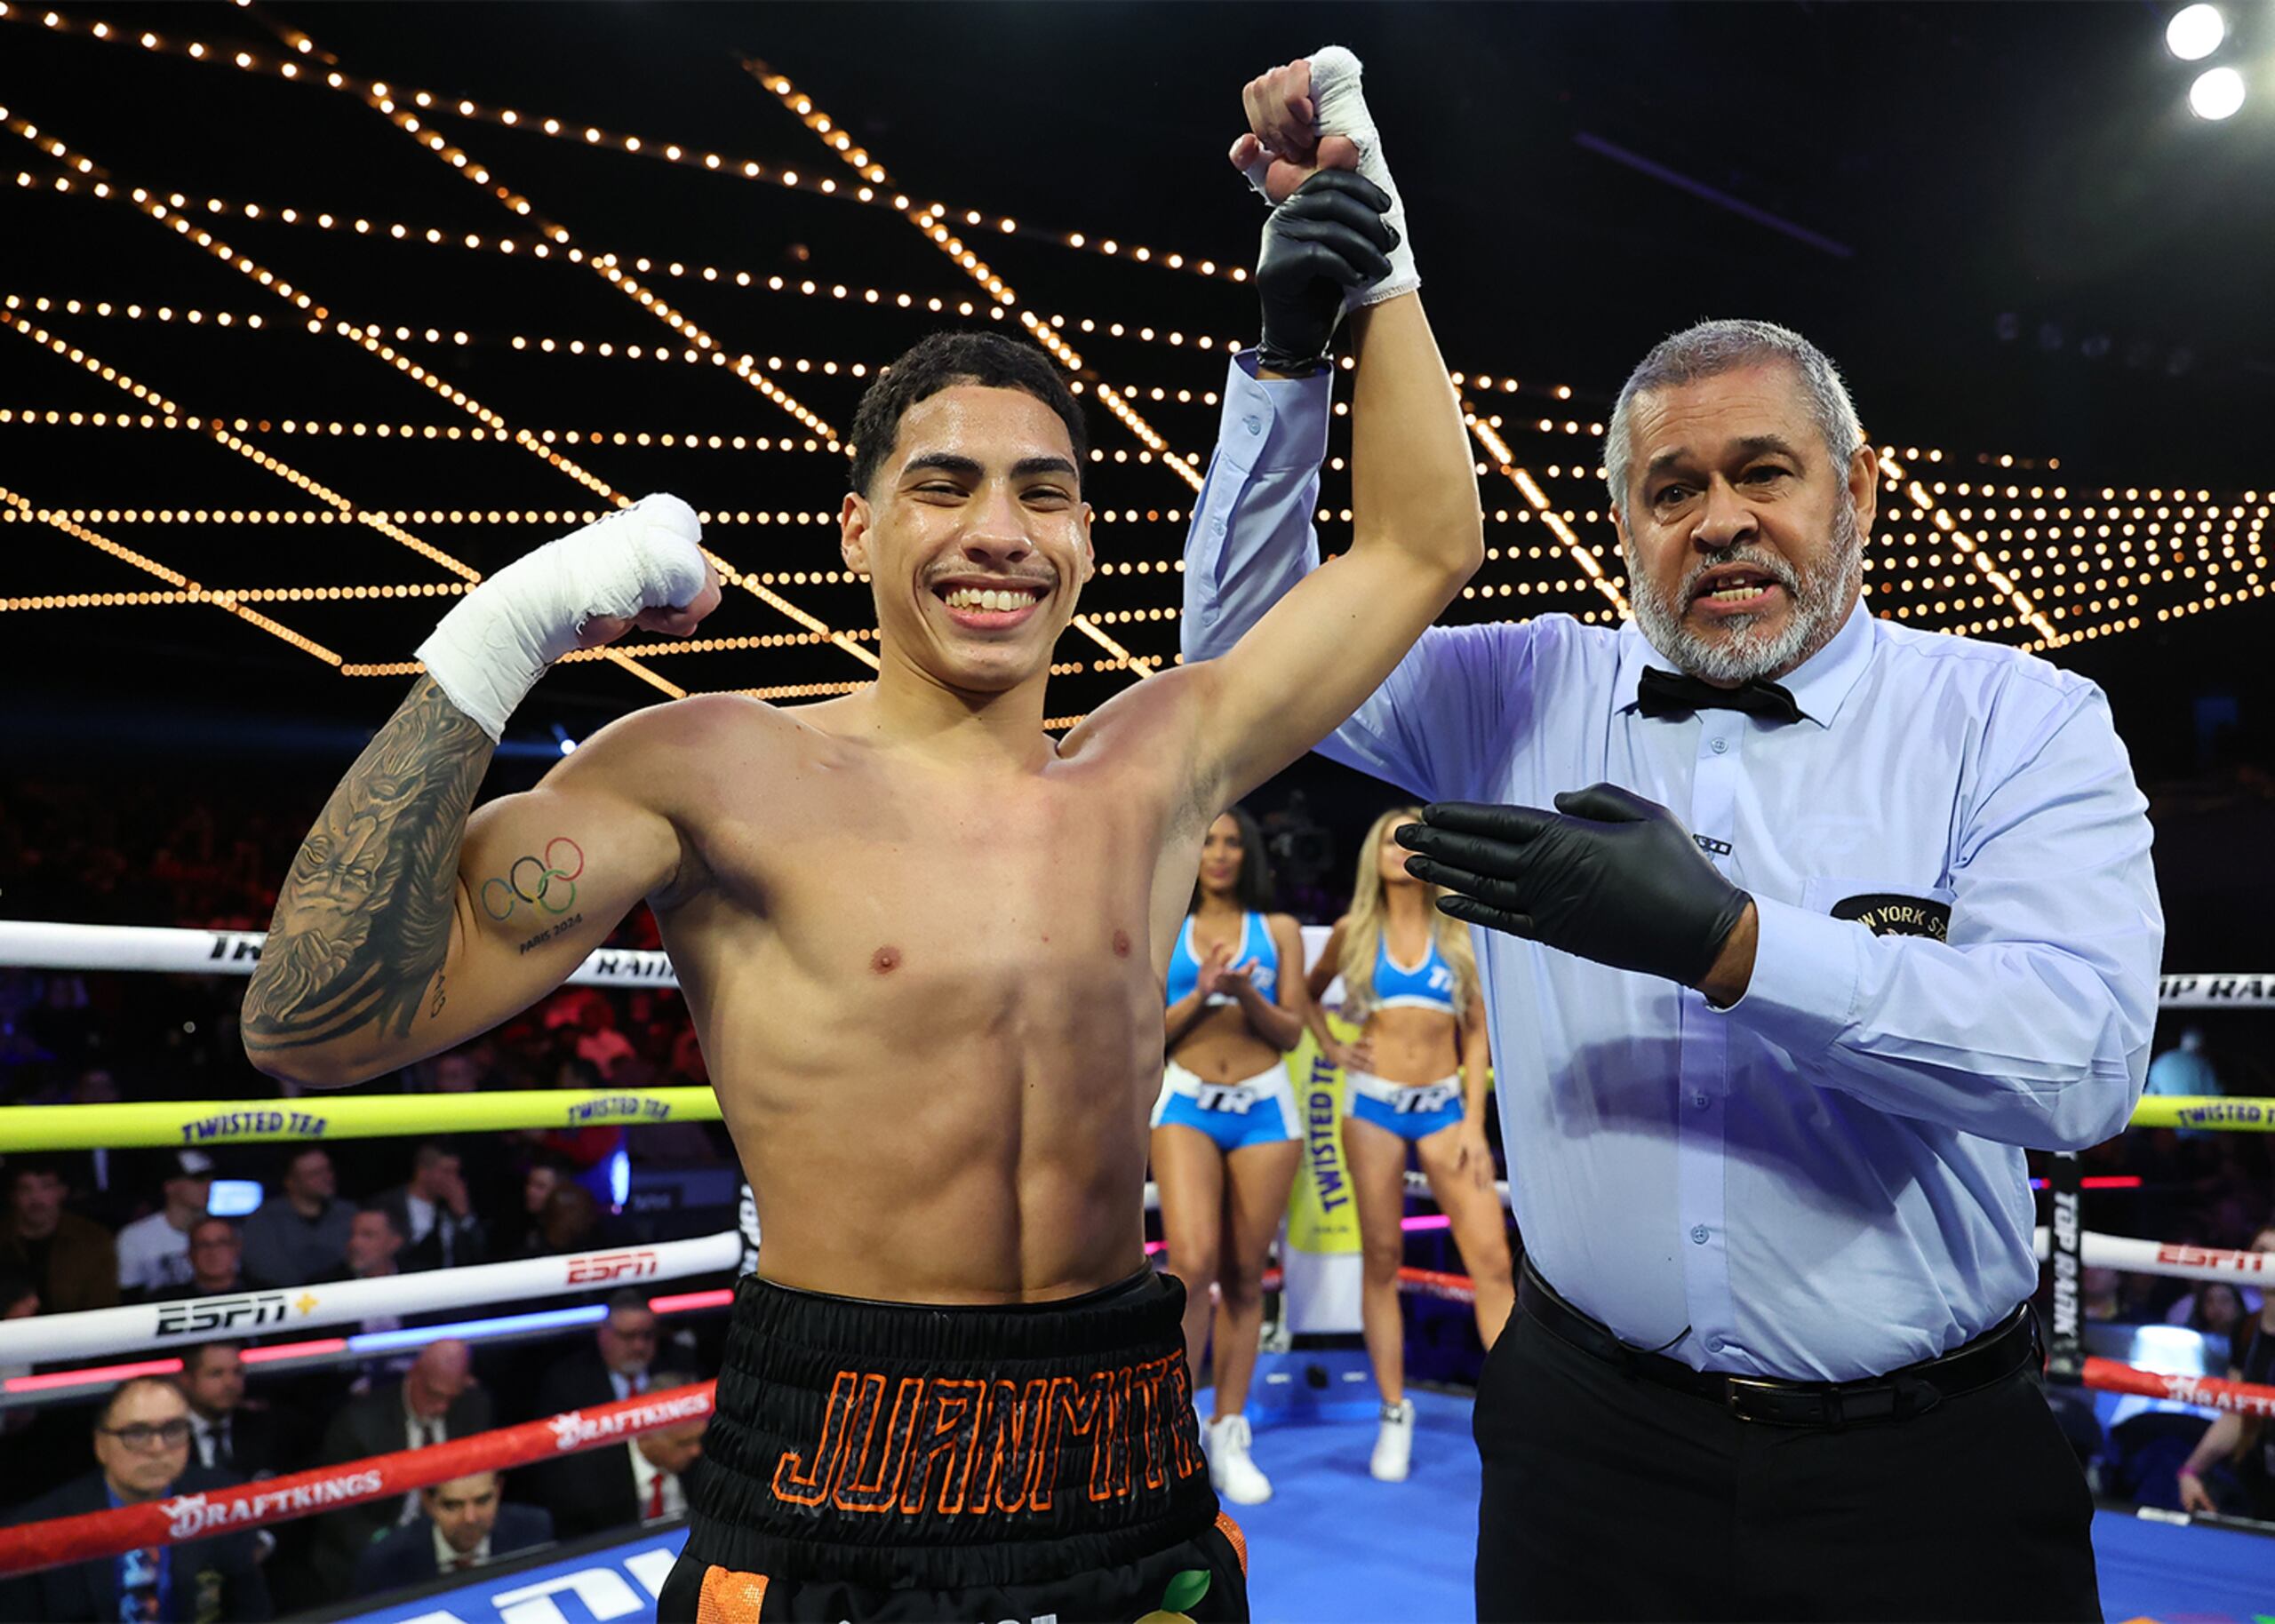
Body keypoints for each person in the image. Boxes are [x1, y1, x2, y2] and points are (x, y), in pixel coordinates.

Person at [239, 45, 1478, 1620]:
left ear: (1086, 536)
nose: (999, 534)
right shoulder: (714, 769)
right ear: (858, 528)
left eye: (1044, 493)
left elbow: (1421, 543)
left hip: (1121, 1446)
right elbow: (311, 1024)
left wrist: (1374, 243)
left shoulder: (1156, 760)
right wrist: (508, 630)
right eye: (944, 486)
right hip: (832, 1464)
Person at [1185, 60, 2160, 1620]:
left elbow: (2083, 1063)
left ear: (1859, 489)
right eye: (1672, 488)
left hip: (1923, 1473)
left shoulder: (2016, 717)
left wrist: (1734, 944)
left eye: (1763, 472)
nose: (1718, 521)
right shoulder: (1518, 687)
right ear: (1625, 523)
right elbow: (1242, 665)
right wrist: (1288, 362)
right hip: (1586, 1448)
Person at [1307, 806, 1512, 1483]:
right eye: (1389, 840)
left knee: (1492, 1261)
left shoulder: (1458, 930)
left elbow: (1477, 1032)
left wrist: (1475, 1120)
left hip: (1445, 1110)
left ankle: (1519, 1418)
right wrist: (1335, 1046)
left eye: (1411, 838)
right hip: (1371, 1110)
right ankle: (1394, 1413)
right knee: (1382, 1260)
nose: (1400, 849)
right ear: (1372, 854)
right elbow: (1306, 997)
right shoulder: (1353, 932)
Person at [1151, 806, 1311, 1505]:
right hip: (1185, 1100)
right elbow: (1149, 1029)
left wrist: (1245, 991)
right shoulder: (1165, 924)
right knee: (1190, 1265)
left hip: (1265, 1107)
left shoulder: (1278, 932)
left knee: (1246, 1275)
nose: (1218, 853)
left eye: (1231, 842)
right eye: (1208, 841)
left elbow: (1292, 1031)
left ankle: (1229, 1430)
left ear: (1248, 854)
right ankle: (1174, 1427)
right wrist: (1204, 994)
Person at [0, 1375, 271, 1623]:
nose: (158, 1448)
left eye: (173, 1429)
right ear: (100, 1444)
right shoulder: (38, 1526)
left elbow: (250, 1611)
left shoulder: (220, 1499)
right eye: (137, 1433)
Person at [309, 1341, 492, 1593]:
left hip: (452, 1541)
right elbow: (338, 1511)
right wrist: (385, 1546)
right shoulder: (360, 1422)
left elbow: (484, 1480)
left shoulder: (473, 1407)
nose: (442, 1406)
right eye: (434, 1394)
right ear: (414, 1374)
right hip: (380, 1542)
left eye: (451, 1396)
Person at [523, 1369, 707, 1540]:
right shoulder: (588, 1478)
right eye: (684, 1443)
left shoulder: (708, 1461)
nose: (696, 1450)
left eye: (699, 1439)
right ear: (644, 1434)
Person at [2177, 1224, 2275, 1521]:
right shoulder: (2246, 1329)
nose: (2269, 1260)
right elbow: (2236, 1412)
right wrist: (2191, 1470)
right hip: (2261, 1476)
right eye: (2262, 1251)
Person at [348, 1471, 554, 1595]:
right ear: (428, 1503)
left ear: (498, 1490)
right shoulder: (387, 1561)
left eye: (482, 1500)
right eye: (453, 1505)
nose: (470, 1518)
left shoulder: (532, 1530)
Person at [0, 1158, 117, 1312]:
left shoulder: (94, 1239)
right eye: (25, 1189)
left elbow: (104, 1307)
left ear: (62, 1191)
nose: (36, 1198)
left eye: (46, 1187)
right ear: (13, 1196)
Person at [239, 1148, 351, 1289]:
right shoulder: (262, 1220)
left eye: (327, 1170)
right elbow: (264, 1268)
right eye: (315, 1173)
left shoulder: (349, 1213)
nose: (326, 1178)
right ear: (290, 1182)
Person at [180, 1340, 290, 1477]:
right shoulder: (170, 1436)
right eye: (216, 1373)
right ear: (187, 1380)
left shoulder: (265, 1428)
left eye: (237, 1372)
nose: (230, 1383)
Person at [116, 1150, 216, 1299]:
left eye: (210, 1179)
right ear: (170, 1186)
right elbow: (128, 1296)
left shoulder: (223, 1232)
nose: (208, 1186)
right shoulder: (135, 1237)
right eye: (198, 1179)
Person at [374, 1143, 487, 1272]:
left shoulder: (452, 1208)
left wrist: (464, 1217)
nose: (454, 1179)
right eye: (447, 1172)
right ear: (423, 1172)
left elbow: (478, 1253)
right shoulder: (386, 1205)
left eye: (456, 1172)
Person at [182, 1216, 251, 1297]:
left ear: (236, 1248)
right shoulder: (172, 1300)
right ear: (190, 1253)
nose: (213, 1252)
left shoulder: (261, 1293)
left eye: (222, 1243)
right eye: (204, 1245)